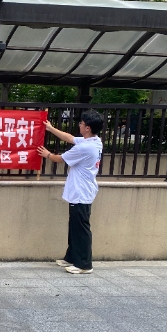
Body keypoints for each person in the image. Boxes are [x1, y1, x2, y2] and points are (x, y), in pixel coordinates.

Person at [37, 109, 104, 274]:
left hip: (81, 193)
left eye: (81, 123)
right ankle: (72, 257)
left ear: (87, 128)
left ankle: (84, 264)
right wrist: (50, 128)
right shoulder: (95, 141)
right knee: (74, 226)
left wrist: (47, 154)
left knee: (81, 229)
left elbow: (59, 159)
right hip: (81, 191)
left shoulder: (85, 148)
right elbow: (70, 138)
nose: (79, 125)